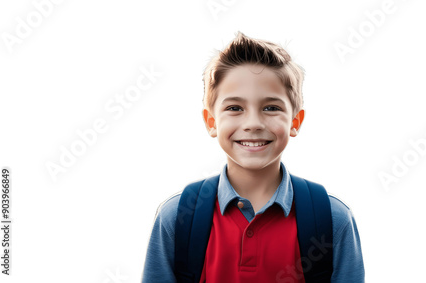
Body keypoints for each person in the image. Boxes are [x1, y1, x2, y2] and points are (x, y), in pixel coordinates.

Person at [141, 31, 364, 282]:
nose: (253, 123)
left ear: (295, 121)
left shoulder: (332, 219)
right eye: (235, 108)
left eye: (271, 108)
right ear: (211, 122)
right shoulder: (177, 218)